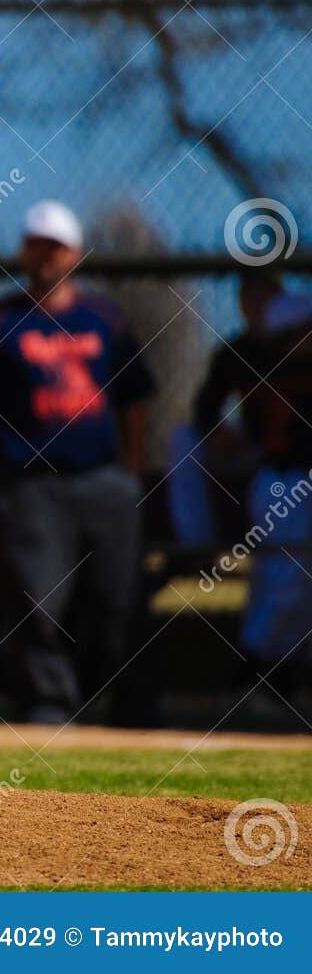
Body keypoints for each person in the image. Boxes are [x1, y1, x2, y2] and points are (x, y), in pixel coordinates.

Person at [0, 200, 156, 724]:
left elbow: (134, 400)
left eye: (55, 246)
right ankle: (47, 704)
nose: (44, 255)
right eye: (35, 244)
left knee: (119, 597)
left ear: (75, 254)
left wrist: (133, 468)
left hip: (105, 479)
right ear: (23, 251)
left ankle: (130, 706)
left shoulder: (104, 319)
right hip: (32, 483)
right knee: (36, 600)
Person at [185, 268, 312, 704]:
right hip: (281, 479)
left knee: (294, 578)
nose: (297, 340)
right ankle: (260, 666)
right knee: (284, 570)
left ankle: (279, 670)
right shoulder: (245, 355)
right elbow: (202, 413)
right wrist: (226, 439)